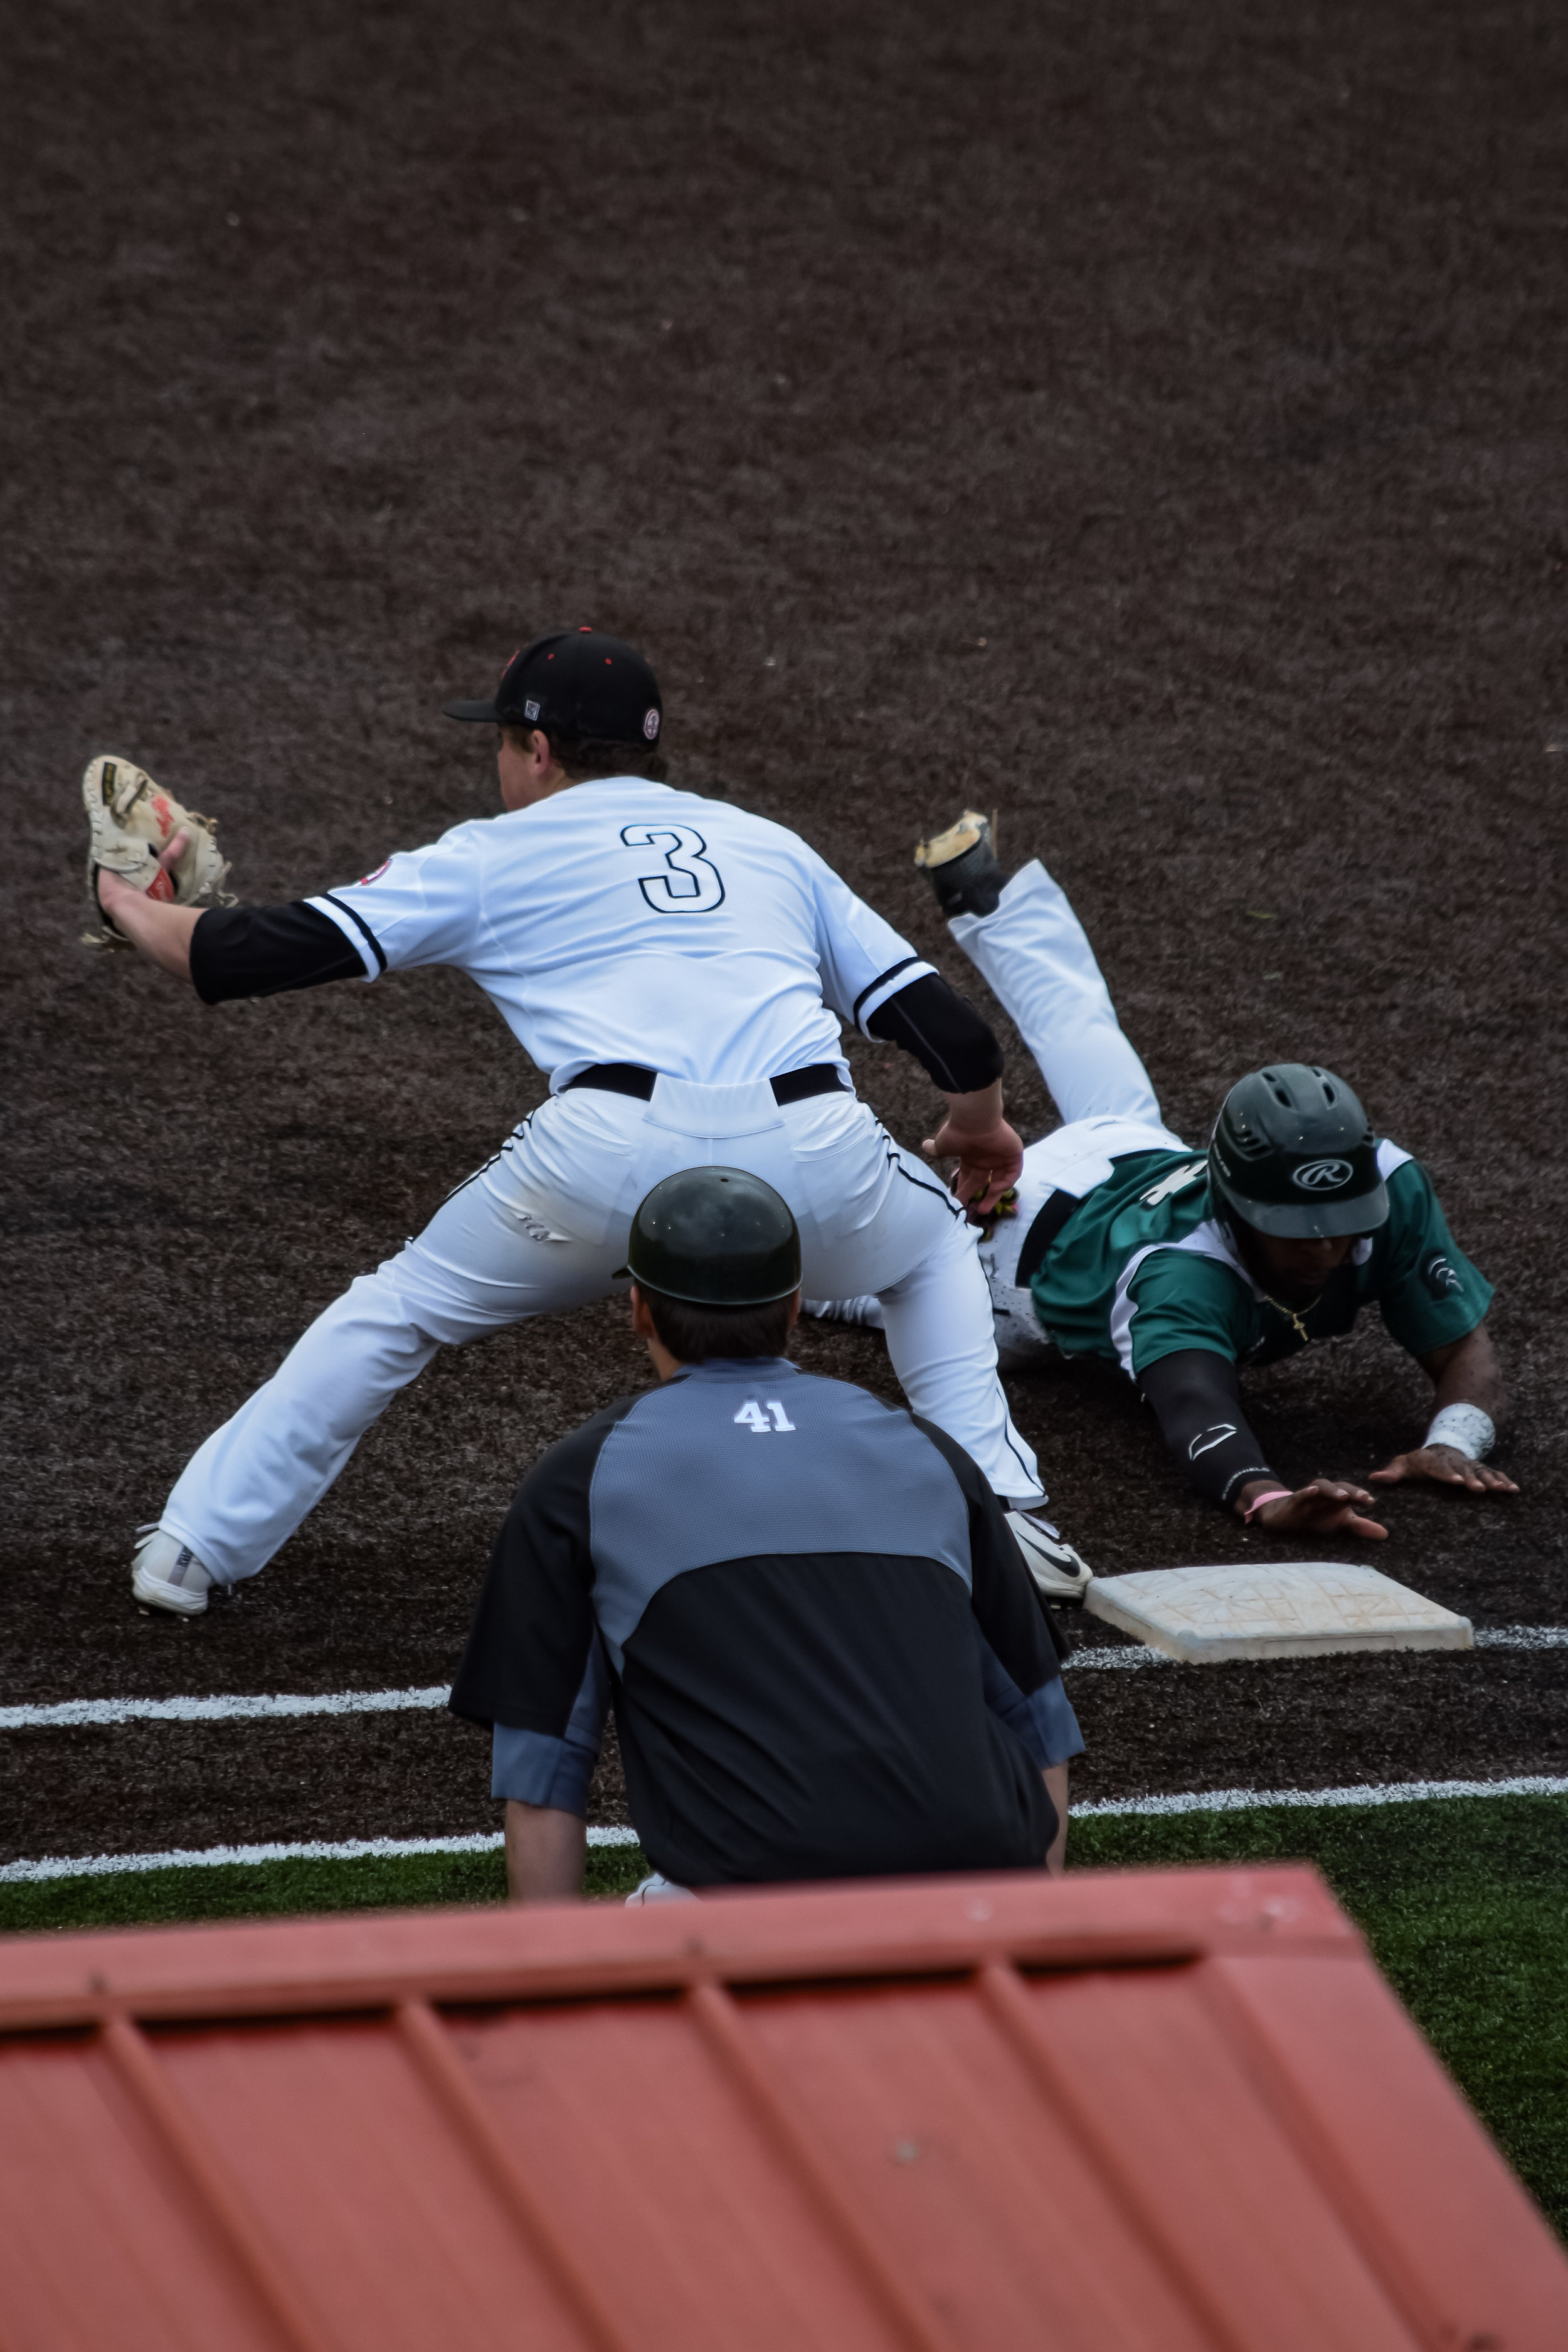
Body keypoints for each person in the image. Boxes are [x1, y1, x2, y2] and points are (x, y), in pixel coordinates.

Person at [88, 632, 1086, 1620]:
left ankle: (194, 1548)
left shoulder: (489, 852)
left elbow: (242, 954)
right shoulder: (767, 844)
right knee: (928, 1258)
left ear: (537, 749)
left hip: (602, 1162)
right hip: (813, 1160)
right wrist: (980, 1129)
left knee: (398, 1311)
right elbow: (952, 1035)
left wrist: (128, 904)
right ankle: (1003, 1511)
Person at [810, 814, 1515, 1545]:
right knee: (846, 1285)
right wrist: (1267, 1498)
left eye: (1338, 1222)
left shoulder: (1388, 1187)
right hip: (1013, 1249)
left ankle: (986, 896)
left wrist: (1452, 1443)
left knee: (1080, 1023)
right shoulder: (1181, 1278)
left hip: (1133, 1147)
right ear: (1236, 1206)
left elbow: (1464, 1345)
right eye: (1296, 1229)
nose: (1325, 1249)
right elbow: (1194, 1408)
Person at [448, 1167, 1083, 1901]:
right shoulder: (928, 1451)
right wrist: (1033, 1939)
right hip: (980, 1897)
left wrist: (551, 2008)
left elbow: (544, 1773)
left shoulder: (580, 1480)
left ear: (639, 1310)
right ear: (794, 1307)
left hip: (758, 1915)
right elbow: (1040, 1720)